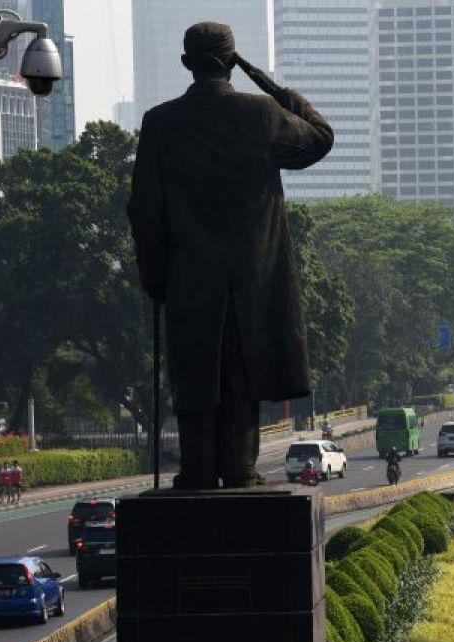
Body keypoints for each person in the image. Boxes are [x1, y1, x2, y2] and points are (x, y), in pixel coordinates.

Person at [128, 22, 334, 489]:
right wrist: (280, 91)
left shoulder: (162, 123)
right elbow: (320, 137)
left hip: (187, 277)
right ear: (232, 62)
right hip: (252, 276)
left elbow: (145, 210)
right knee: (241, 372)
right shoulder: (261, 114)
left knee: (195, 373)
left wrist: (155, 276)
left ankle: (198, 469)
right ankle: (240, 468)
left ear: (187, 64)